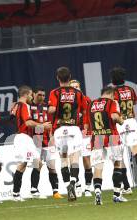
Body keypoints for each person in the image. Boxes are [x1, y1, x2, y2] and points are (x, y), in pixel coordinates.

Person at [48, 67, 87, 202]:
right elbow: (84, 108)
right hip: (73, 129)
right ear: (69, 77)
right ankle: (73, 181)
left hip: (59, 130)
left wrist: (50, 108)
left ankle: (66, 186)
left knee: (63, 159)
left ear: (57, 78)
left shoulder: (54, 93)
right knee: (74, 158)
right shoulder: (77, 93)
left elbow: (52, 109)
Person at [110, 67, 137, 194]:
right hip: (131, 121)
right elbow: (135, 103)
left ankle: (126, 186)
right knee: (136, 151)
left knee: (119, 157)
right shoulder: (131, 90)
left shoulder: (112, 93)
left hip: (119, 123)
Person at [11, 86, 52, 201]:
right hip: (24, 137)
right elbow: (28, 123)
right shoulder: (24, 106)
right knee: (35, 163)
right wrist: (43, 125)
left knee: (27, 164)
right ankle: (26, 192)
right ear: (25, 95)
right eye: (30, 95)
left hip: (20, 137)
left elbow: (12, 118)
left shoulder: (15, 106)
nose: (31, 97)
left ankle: (20, 192)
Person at [88, 86, 126, 205]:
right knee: (117, 164)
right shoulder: (111, 102)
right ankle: (116, 195)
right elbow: (114, 117)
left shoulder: (91, 104)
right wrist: (121, 120)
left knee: (98, 167)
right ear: (111, 94)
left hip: (97, 137)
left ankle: (98, 192)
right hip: (111, 136)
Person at [29, 86, 61, 199]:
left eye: (43, 95)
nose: (42, 97)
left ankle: (55, 192)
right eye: (39, 95)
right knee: (37, 164)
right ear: (33, 94)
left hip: (48, 140)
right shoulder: (29, 107)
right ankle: (34, 190)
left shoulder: (47, 106)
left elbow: (51, 122)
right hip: (35, 140)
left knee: (52, 166)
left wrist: (52, 135)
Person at [69, 80, 93, 197]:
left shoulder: (87, 100)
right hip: (72, 134)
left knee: (86, 160)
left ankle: (88, 187)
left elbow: (91, 116)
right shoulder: (66, 102)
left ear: (80, 87)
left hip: (85, 134)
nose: (75, 89)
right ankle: (77, 184)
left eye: (77, 86)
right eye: (72, 87)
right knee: (73, 159)